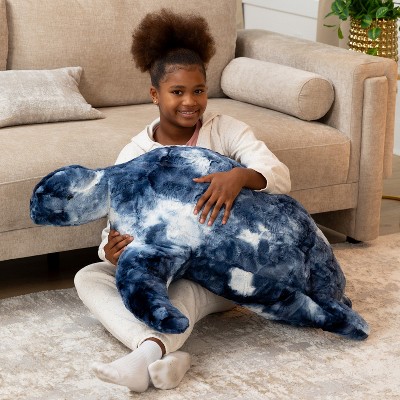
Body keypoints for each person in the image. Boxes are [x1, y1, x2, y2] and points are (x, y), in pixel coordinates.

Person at [74, 8, 291, 393]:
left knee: (187, 290)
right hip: (163, 266)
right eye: (177, 92)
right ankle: (163, 357)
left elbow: (278, 175)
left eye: (198, 90)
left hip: (223, 270)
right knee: (90, 276)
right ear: (155, 94)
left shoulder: (225, 131)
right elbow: (115, 228)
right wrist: (111, 250)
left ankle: (145, 354)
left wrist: (239, 176)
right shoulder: (135, 154)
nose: (190, 101)